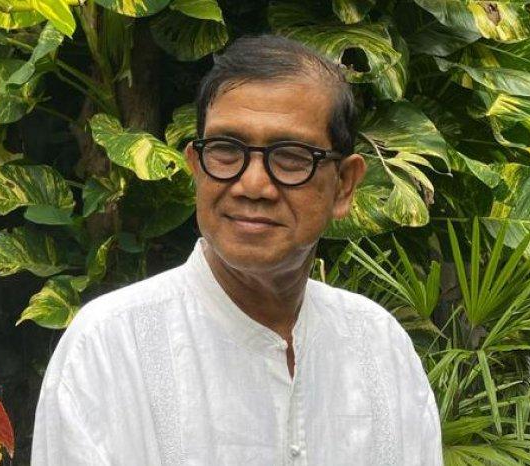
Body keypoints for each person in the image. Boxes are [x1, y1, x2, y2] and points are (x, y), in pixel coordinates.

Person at [31, 34, 442, 465]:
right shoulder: (110, 348)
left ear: (344, 185)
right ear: (196, 168)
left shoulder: (377, 346)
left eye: (290, 156)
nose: (253, 185)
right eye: (227, 151)